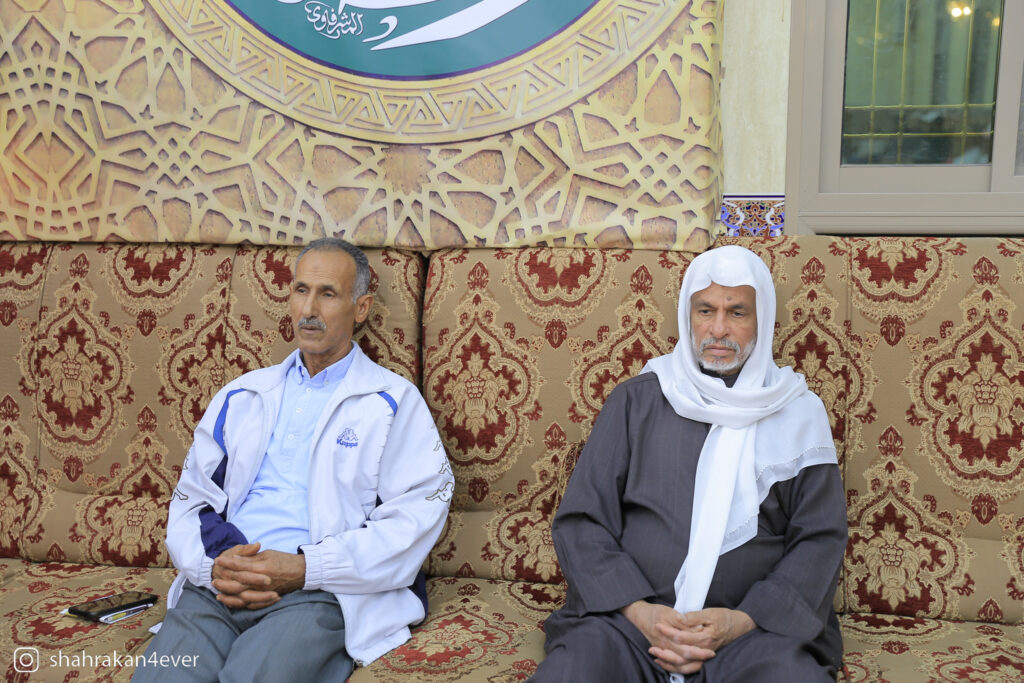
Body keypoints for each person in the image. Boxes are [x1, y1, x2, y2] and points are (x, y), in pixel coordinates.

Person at [135, 238, 453, 682]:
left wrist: (305, 568)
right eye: (301, 290)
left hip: (321, 592)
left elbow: (414, 519)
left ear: (361, 308)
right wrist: (218, 566)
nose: (309, 309)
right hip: (221, 586)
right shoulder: (243, 395)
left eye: (327, 294)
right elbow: (191, 500)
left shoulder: (393, 402)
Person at [532, 245, 847, 682]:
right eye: (706, 310)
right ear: (687, 315)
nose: (718, 329)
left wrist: (741, 621)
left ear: (763, 319)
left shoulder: (799, 414)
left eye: (737, 312)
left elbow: (819, 539)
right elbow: (582, 522)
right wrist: (640, 613)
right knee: (574, 670)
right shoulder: (636, 401)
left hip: (755, 635)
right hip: (627, 628)